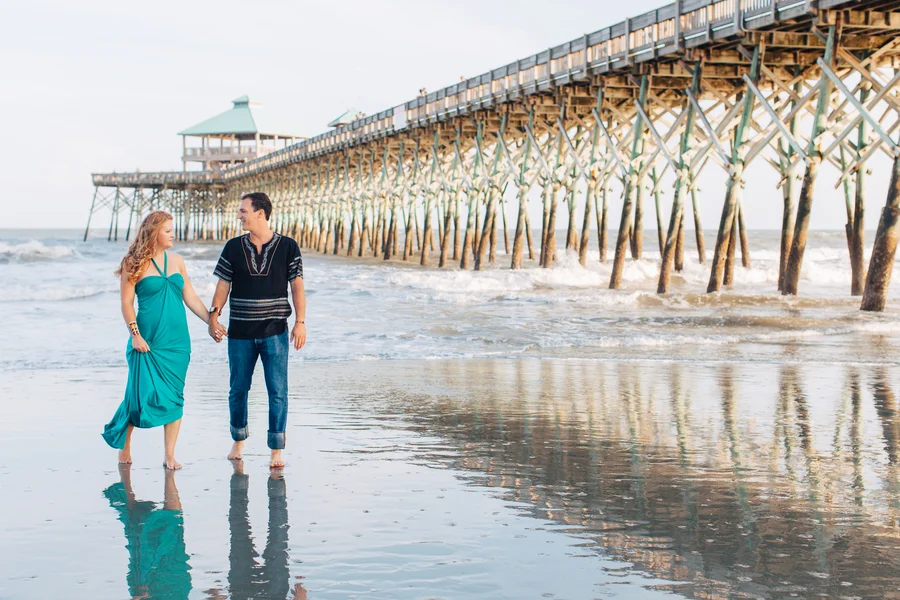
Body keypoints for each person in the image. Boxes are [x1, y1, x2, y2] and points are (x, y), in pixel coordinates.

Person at [102, 211, 212, 469]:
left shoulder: (177, 261)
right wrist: (135, 335)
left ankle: (169, 455)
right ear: (154, 232)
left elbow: (191, 298)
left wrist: (212, 321)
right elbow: (126, 304)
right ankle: (125, 442)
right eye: (168, 230)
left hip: (177, 342)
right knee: (139, 396)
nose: (173, 234)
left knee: (175, 396)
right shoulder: (133, 263)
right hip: (147, 340)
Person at [208, 192, 306, 469]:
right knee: (237, 389)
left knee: (278, 390)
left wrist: (300, 322)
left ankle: (276, 449)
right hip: (239, 332)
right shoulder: (233, 247)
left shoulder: (288, 246)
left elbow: (296, 286)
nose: (239, 215)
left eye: (243, 211)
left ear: (260, 213)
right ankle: (238, 440)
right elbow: (223, 285)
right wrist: (213, 318)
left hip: (275, 331)